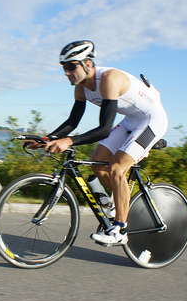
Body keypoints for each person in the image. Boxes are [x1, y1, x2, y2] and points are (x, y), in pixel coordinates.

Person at [32, 40, 168, 246]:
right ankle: (115, 206)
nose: (67, 73)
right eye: (64, 68)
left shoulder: (109, 78)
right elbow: (72, 122)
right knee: (97, 163)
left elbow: (104, 129)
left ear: (87, 64)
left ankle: (120, 230)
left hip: (151, 120)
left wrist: (68, 141)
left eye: (71, 67)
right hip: (131, 121)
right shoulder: (81, 87)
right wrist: (45, 139)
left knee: (116, 168)